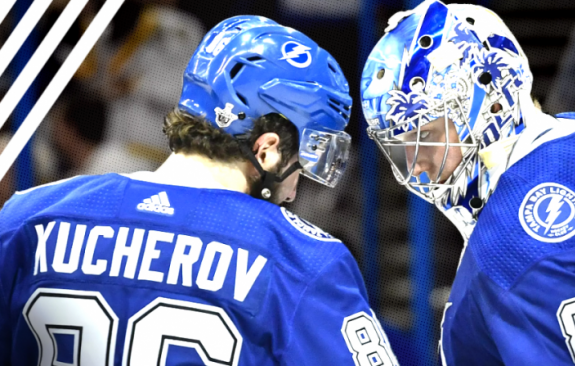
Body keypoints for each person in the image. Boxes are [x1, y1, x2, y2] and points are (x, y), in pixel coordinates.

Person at [0, 16, 398, 365]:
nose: (297, 186)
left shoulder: (28, 218)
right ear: (269, 149)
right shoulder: (302, 260)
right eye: (306, 157)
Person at [361, 1, 575, 365]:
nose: (416, 167)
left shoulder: (499, 249)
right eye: (401, 149)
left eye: (427, 138)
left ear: (490, 99)